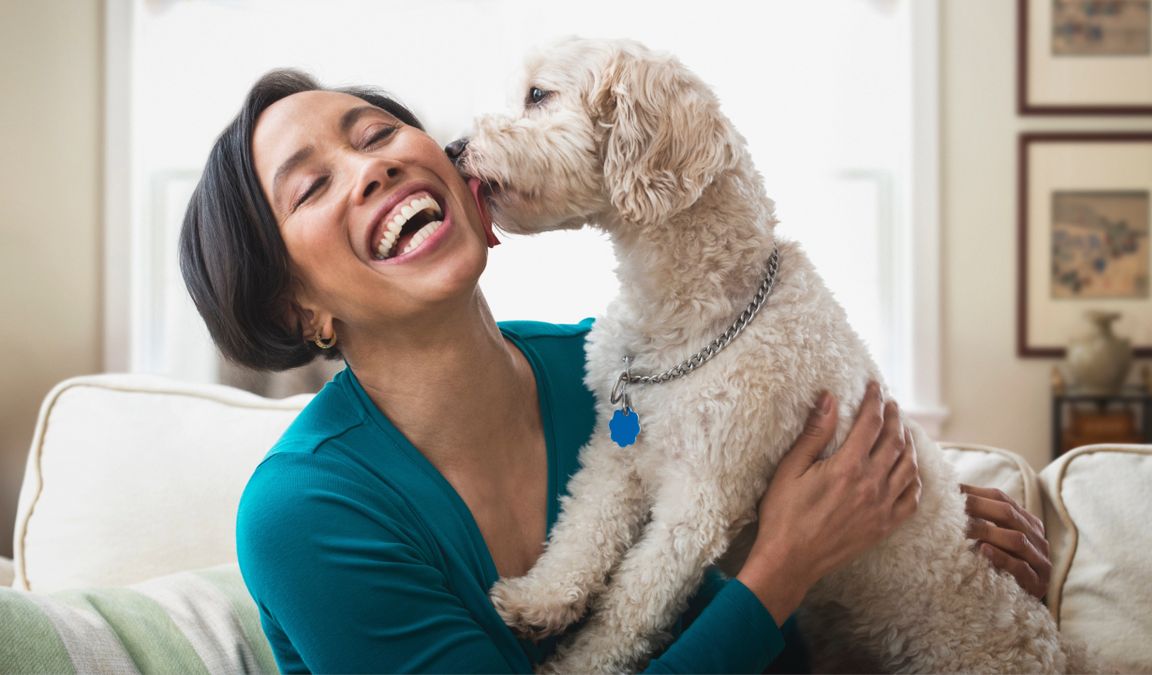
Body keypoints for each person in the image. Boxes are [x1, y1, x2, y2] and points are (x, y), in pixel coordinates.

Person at [180, 70, 1052, 673]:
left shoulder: (634, 367)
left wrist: (924, 535)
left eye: (377, 135)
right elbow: (774, 559)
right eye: (312, 186)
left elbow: (805, 487)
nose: (374, 164)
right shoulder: (305, 513)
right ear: (298, 311)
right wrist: (782, 570)